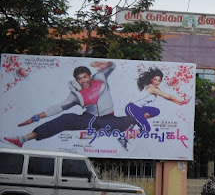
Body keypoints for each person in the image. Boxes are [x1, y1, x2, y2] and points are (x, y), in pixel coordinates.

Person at [3, 61, 136, 148]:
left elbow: (113, 66)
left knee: (133, 117)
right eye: (79, 78)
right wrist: (35, 117)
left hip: (109, 119)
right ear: (76, 80)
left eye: (85, 77)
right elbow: (57, 108)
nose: (83, 81)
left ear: (90, 76)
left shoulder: (100, 77)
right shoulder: (76, 95)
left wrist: (107, 63)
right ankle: (23, 139)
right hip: (89, 118)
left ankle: (112, 133)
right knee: (65, 119)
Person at [118, 67, 188, 149]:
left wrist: (179, 103)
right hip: (132, 108)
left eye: (159, 80)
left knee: (156, 111)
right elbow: (168, 96)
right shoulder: (151, 88)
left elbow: (166, 97)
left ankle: (134, 120)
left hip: (139, 108)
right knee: (146, 128)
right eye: (155, 79)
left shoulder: (156, 89)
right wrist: (182, 101)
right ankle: (124, 137)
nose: (157, 82)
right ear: (151, 79)